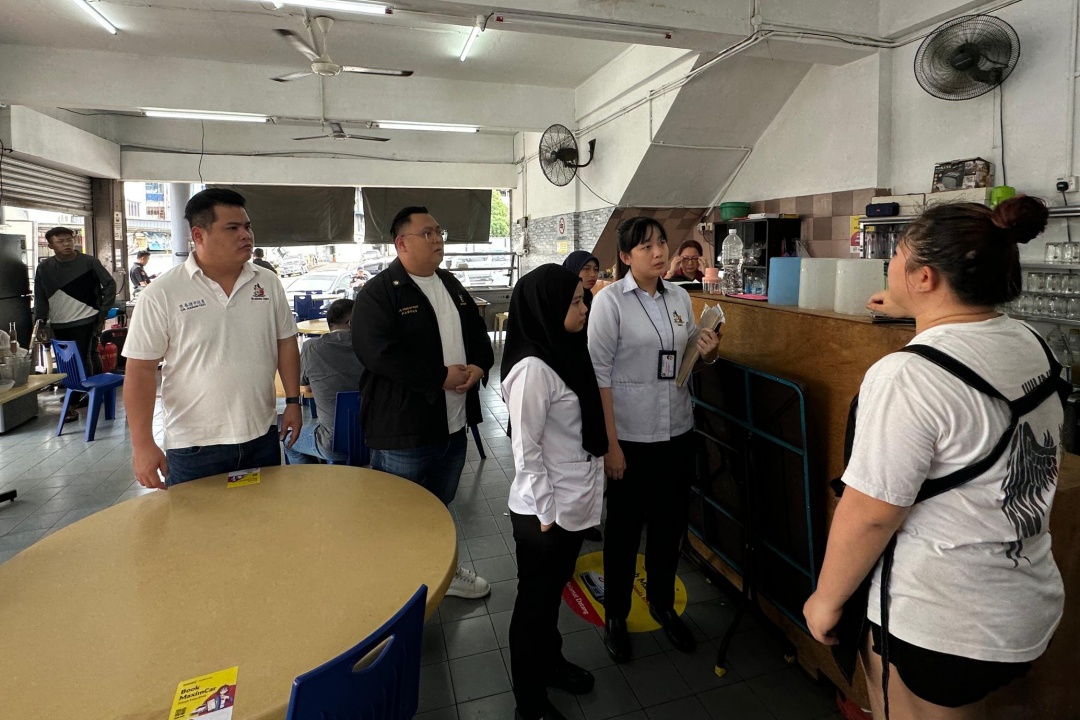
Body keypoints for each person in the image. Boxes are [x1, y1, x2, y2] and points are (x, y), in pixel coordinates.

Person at [803, 196, 1064, 720]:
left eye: (897, 257)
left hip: (937, 618)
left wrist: (825, 599)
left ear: (924, 278)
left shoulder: (907, 376)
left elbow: (871, 512)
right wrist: (915, 311)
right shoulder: (1031, 341)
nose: (889, 266)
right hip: (1022, 603)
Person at [588, 216, 720, 662]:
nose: (659, 251)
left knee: (669, 527)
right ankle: (616, 614)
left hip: (677, 430)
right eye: (646, 246)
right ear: (626, 257)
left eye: (661, 242)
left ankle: (663, 605)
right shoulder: (610, 303)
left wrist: (709, 351)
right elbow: (599, 377)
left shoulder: (680, 296)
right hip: (630, 437)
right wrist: (611, 445)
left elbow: (687, 358)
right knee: (624, 532)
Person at [352, 206, 495, 600]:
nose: (437, 240)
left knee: (440, 504)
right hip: (405, 428)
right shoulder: (380, 293)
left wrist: (479, 366)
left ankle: (440, 574)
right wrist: (438, 377)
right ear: (401, 243)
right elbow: (377, 353)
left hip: (453, 422)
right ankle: (399, 585)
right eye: (427, 233)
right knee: (401, 512)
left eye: (438, 232)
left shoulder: (450, 283)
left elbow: (478, 335)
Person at [122, 188, 302, 488]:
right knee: (196, 519)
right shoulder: (162, 293)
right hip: (195, 446)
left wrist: (293, 401)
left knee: (264, 515)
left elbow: (285, 342)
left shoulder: (267, 282)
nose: (245, 235)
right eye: (232, 228)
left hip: (261, 435)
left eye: (247, 226)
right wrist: (142, 445)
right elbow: (140, 370)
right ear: (198, 235)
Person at [502, 265, 607, 720]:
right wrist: (547, 514)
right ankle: (529, 702)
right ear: (547, 308)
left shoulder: (564, 351)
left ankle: (550, 663)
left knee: (549, 598)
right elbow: (525, 453)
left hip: (570, 501)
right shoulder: (532, 370)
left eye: (583, 299)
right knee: (534, 605)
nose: (584, 309)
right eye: (576, 302)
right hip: (544, 514)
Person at [33, 226, 117, 421]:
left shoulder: (88, 262)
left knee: (82, 356)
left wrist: (102, 313)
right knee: (69, 359)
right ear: (51, 245)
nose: (67, 244)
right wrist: (40, 322)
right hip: (59, 321)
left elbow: (110, 284)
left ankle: (79, 395)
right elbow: (40, 296)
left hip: (87, 318)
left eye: (69, 240)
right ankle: (87, 391)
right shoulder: (45, 268)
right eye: (60, 241)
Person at [283, 298, 362, 465]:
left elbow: (303, 383)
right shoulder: (369, 347)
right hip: (372, 439)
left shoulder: (311, 348)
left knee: (290, 442)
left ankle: (314, 478)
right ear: (351, 323)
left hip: (332, 442)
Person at [562, 250, 604, 543]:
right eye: (585, 269)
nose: (591, 275)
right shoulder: (563, 303)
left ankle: (586, 516)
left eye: (595, 269)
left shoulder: (592, 301)